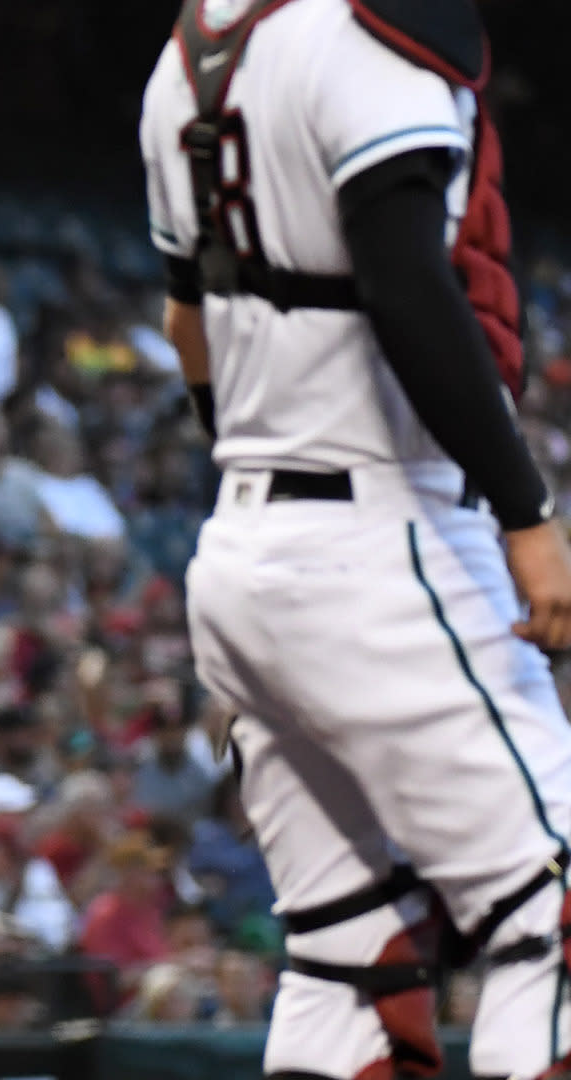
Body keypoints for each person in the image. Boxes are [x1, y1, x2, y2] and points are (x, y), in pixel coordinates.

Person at [140, 2, 571, 1077]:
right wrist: (528, 513)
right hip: (386, 530)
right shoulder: (369, 31)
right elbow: (407, 284)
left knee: (348, 961)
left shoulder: (186, 57)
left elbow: (185, 324)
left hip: (246, 541)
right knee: (549, 916)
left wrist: (263, 478)